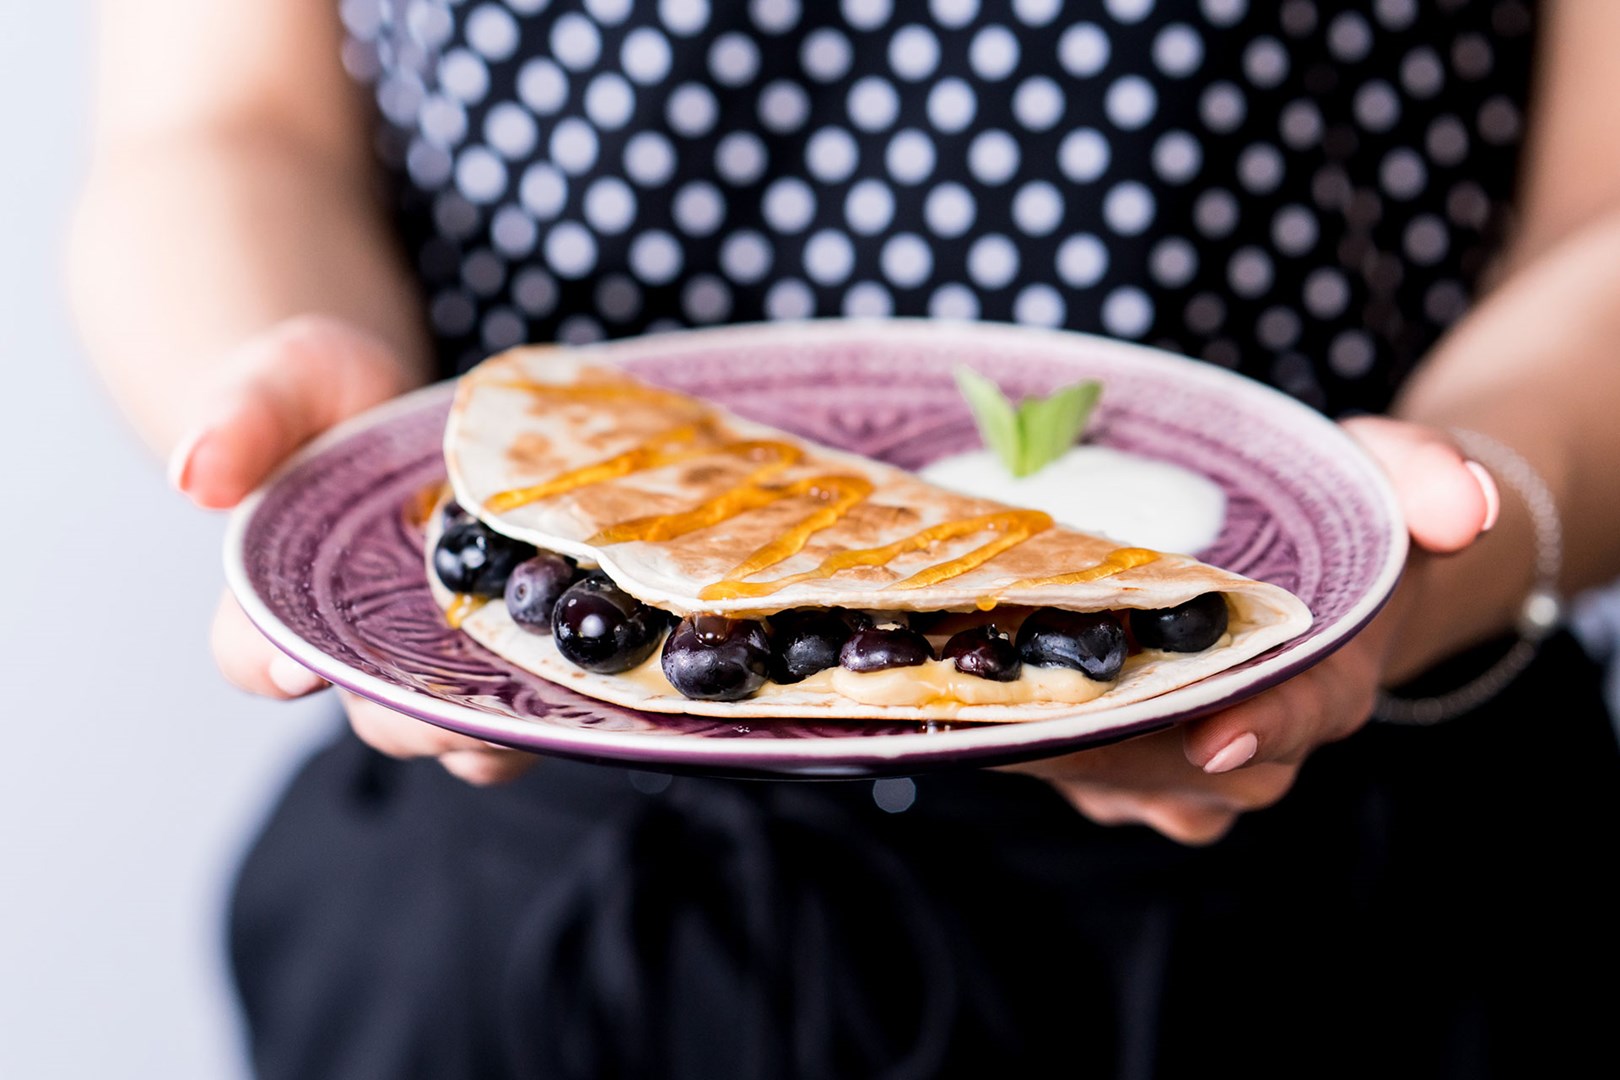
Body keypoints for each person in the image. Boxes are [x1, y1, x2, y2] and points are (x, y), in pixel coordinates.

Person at [65, 0, 1620, 1076]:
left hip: (1351, 911)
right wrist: (289, 386)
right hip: (523, 901)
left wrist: (1476, 502)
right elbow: (227, 120)